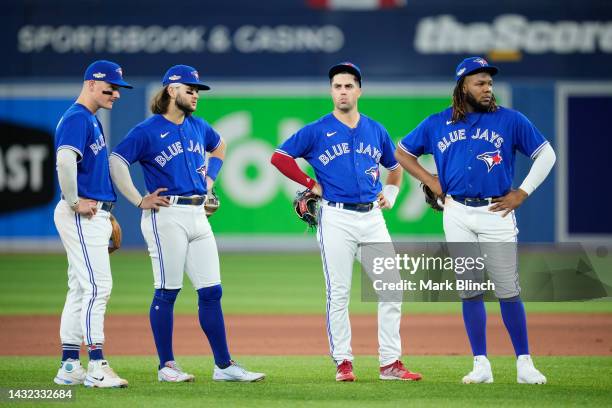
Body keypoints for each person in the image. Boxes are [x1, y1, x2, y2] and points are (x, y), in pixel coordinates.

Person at [395, 56, 556, 384]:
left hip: (496, 212)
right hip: (456, 212)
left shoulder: (510, 120)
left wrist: (522, 193)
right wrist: (430, 180)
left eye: (489, 82)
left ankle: (524, 363)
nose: (487, 88)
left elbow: (546, 154)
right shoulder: (437, 122)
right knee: (469, 290)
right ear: (462, 86)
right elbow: (401, 152)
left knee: (507, 289)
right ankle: (481, 364)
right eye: (479, 82)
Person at [109, 65, 265, 383]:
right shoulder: (147, 130)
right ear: (171, 90)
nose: (195, 94)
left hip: (197, 214)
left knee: (212, 291)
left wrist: (208, 181)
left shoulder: (197, 126)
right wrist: (139, 199)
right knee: (168, 290)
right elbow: (116, 160)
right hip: (165, 216)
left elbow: (220, 146)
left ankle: (223, 366)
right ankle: (167, 365)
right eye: (190, 88)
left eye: (197, 90)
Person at [271, 62, 422, 382]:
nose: (342, 91)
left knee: (391, 289)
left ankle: (390, 364)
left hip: (372, 217)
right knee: (338, 292)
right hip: (335, 217)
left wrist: (392, 193)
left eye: (348, 86)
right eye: (337, 86)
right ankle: (343, 361)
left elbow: (394, 168)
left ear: (359, 91)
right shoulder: (315, 130)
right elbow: (279, 157)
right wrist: (310, 184)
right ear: (331, 91)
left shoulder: (375, 129)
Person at [53, 60, 132, 388]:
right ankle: (97, 364)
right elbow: (64, 159)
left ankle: (70, 365)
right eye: (109, 87)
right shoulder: (77, 117)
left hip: (93, 212)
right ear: (90, 84)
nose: (115, 93)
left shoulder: (89, 119)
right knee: (98, 288)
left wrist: (103, 208)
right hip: (81, 214)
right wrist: (74, 201)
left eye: (118, 88)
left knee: (80, 288)